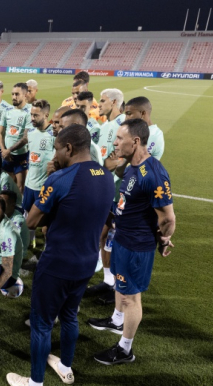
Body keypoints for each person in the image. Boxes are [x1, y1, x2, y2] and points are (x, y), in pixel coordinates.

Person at [5, 124, 114, 386]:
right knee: (69, 316)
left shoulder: (60, 179)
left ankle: (35, 385)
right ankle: (65, 368)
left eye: (56, 149)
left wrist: (51, 180)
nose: (54, 154)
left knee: (42, 324)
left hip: (57, 264)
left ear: (68, 148)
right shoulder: (106, 176)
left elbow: (31, 220)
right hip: (86, 262)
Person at [87, 119, 176, 365]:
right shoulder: (131, 167)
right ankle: (116, 320)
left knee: (131, 297)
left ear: (135, 141)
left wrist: (164, 239)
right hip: (122, 240)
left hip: (137, 246)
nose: (114, 142)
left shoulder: (153, 173)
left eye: (119, 138)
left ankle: (125, 349)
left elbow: (167, 217)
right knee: (119, 285)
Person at [85, 88, 125, 303]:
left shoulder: (123, 125)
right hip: (103, 186)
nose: (97, 104)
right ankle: (109, 282)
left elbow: (118, 159)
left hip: (116, 191)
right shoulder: (105, 126)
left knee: (114, 239)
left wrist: (108, 167)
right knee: (103, 236)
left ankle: (118, 287)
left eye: (102, 101)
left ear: (115, 101)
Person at [21, 100, 55, 248]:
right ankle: (31, 241)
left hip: (44, 186)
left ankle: (48, 248)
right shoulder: (31, 133)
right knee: (28, 215)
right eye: (31, 115)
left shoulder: (54, 134)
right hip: (29, 184)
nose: (32, 118)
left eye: (36, 115)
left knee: (47, 221)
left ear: (46, 115)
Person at [0, 83, 31, 192]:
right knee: (7, 186)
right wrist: (3, 151)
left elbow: (26, 138)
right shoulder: (7, 110)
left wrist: (9, 150)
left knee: (20, 188)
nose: (13, 97)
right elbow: (0, 133)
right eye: (12, 94)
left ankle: (19, 208)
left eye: (17, 94)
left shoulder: (30, 112)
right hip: (6, 155)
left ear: (25, 95)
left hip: (21, 155)